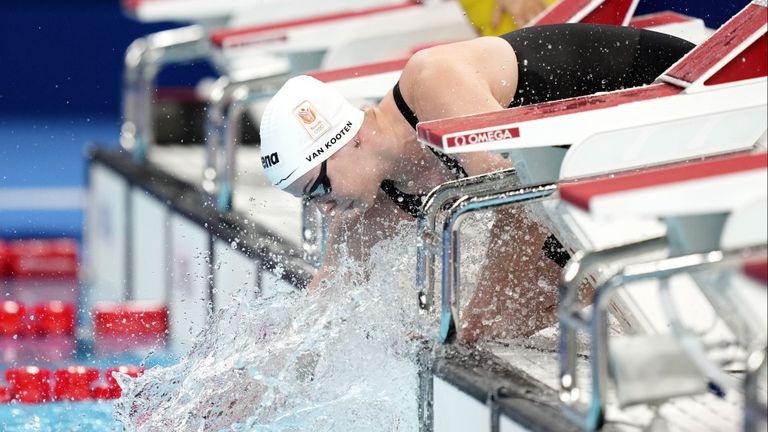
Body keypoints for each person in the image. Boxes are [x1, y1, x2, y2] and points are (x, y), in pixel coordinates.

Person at [258, 23, 695, 342]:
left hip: (682, 95)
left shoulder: (430, 80)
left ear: (347, 141)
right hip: (596, 156)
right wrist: (257, 377)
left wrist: (470, 325)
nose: (323, 208)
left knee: (488, 326)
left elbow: (520, 196)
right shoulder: (371, 191)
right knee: (509, 319)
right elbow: (326, 299)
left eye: (317, 189)